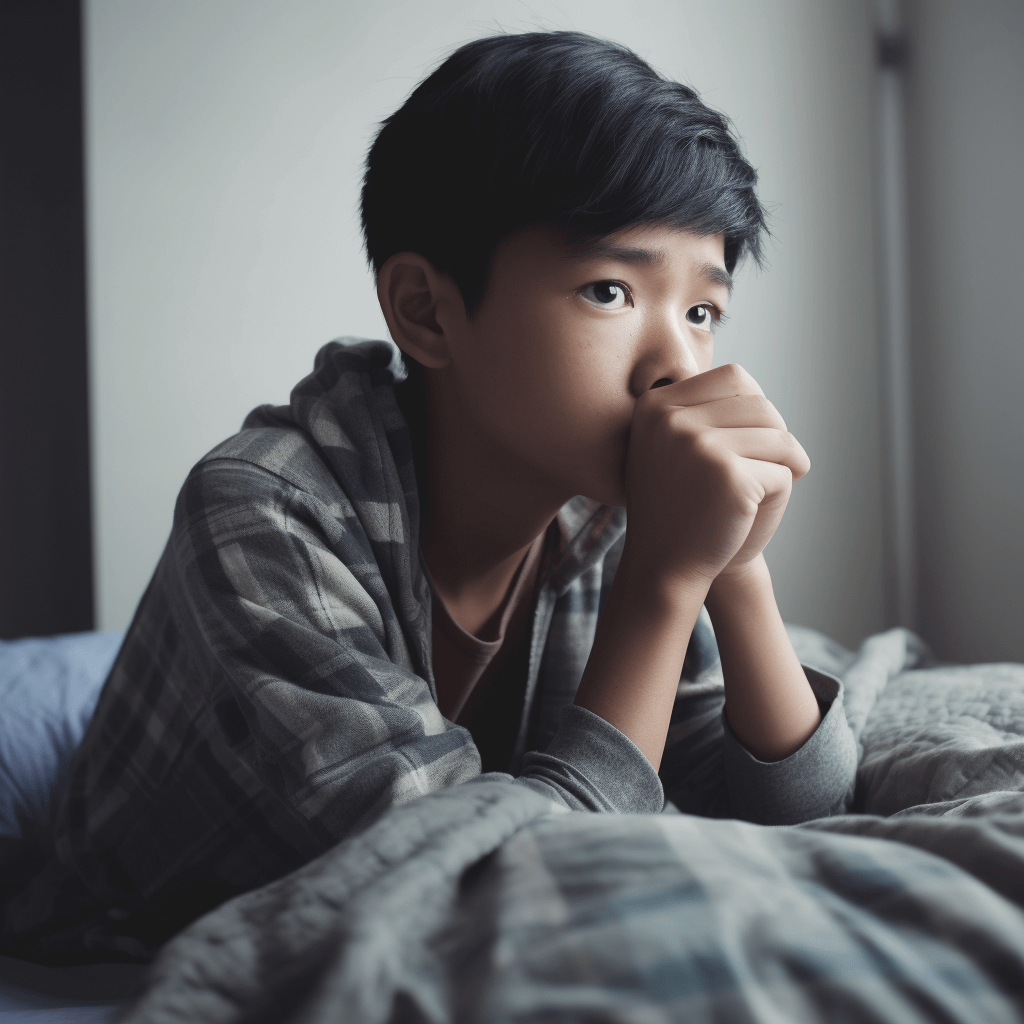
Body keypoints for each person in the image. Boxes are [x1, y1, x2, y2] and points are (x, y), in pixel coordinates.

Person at [2, 30, 856, 963]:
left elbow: (802, 811)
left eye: (702, 312)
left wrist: (735, 567)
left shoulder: (610, 513)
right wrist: (661, 584)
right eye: (610, 290)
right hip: (138, 932)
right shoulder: (260, 512)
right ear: (424, 310)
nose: (678, 369)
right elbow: (494, 902)